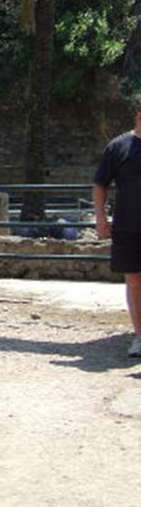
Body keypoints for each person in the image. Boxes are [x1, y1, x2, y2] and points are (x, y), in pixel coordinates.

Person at [93, 98, 141, 356]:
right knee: (134, 281)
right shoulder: (118, 147)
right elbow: (100, 184)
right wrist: (100, 218)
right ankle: (139, 336)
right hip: (127, 226)